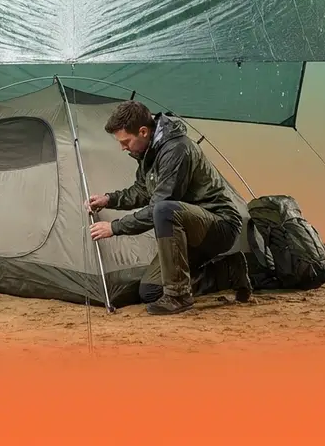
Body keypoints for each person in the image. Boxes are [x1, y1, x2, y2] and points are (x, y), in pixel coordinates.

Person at [86, 100, 253, 315]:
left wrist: (115, 227)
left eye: (126, 141)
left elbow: (160, 205)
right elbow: (143, 190)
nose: (122, 147)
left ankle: (179, 296)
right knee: (151, 291)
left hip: (219, 224)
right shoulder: (149, 152)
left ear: (144, 131)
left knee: (164, 210)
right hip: (186, 230)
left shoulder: (176, 149)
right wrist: (109, 199)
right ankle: (228, 271)